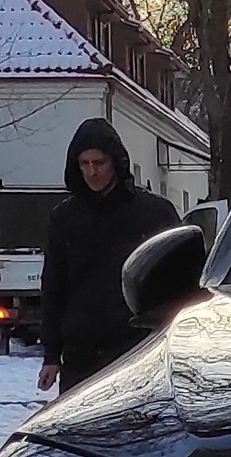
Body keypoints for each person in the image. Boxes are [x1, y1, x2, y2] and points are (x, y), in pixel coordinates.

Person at [36, 117, 177, 394]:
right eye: (84, 164)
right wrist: (51, 355)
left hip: (137, 349)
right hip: (81, 354)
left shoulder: (153, 214)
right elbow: (53, 287)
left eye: (98, 163)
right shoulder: (65, 219)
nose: (92, 172)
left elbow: (177, 281)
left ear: (115, 161)